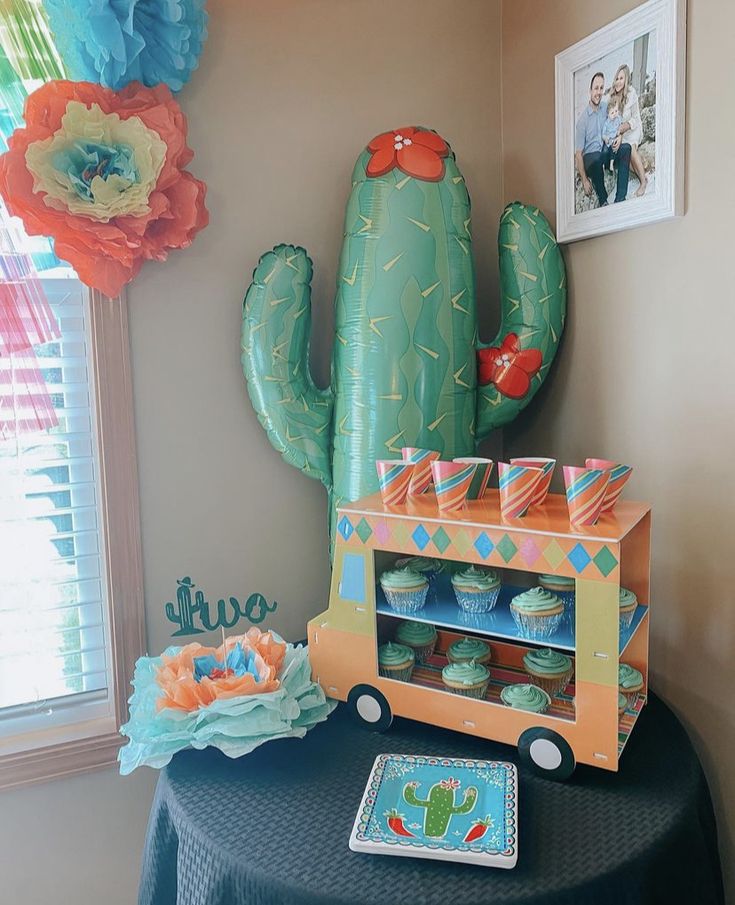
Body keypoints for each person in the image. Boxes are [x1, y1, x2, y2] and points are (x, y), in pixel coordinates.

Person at [575, 71, 631, 207]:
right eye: (596, 88)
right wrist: (584, 179)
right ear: (590, 90)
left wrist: (619, 137)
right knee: (596, 158)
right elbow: (578, 154)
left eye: (601, 88)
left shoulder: (606, 107)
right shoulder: (583, 121)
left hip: (605, 152)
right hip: (591, 158)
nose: (599, 92)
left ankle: (620, 198)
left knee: (626, 149)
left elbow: (618, 123)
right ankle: (603, 200)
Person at [606, 63, 648, 197]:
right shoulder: (611, 97)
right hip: (619, 133)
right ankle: (639, 173)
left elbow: (636, 117)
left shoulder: (631, 94)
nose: (618, 82)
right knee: (624, 154)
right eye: (617, 78)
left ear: (626, 80)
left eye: (621, 78)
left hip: (632, 129)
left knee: (631, 148)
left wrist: (627, 126)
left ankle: (643, 182)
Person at [601, 98, 623, 172]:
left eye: (616, 111)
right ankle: (603, 164)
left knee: (614, 150)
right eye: (612, 113)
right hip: (608, 140)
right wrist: (605, 138)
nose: (614, 114)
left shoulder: (618, 118)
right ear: (608, 114)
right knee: (604, 151)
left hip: (614, 139)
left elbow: (621, 126)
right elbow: (603, 134)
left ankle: (611, 164)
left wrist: (619, 131)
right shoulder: (606, 123)